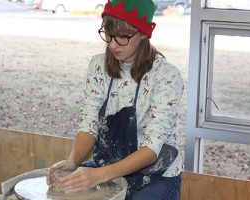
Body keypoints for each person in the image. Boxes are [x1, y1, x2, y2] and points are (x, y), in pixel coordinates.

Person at [47, 0, 184, 199]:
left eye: (123, 37)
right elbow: (89, 125)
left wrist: (98, 176)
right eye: (109, 35)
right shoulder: (98, 66)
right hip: (108, 165)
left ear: (144, 33)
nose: (112, 44)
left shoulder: (166, 75)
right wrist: (73, 161)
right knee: (64, 187)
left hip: (156, 173)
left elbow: (151, 149)